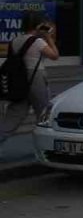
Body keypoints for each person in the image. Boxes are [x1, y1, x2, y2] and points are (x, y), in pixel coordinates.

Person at [0, 14, 59, 145]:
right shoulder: (38, 41)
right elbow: (55, 55)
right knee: (44, 114)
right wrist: (49, 37)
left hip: (18, 82)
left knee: (13, 117)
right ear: (38, 26)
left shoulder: (15, 40)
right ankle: (47, 146)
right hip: (36, 79)